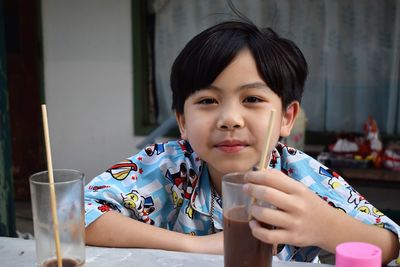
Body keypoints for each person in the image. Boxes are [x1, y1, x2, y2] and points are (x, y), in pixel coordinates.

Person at [84, 19, 400, 264]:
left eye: (251, 98)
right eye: (208, 101)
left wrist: (327, 226)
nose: (230, 118)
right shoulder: (166, 165)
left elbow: (392, 244)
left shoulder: (301, 179)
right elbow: (73, 215)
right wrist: (197, 247)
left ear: (287, 117)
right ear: (182, 121)